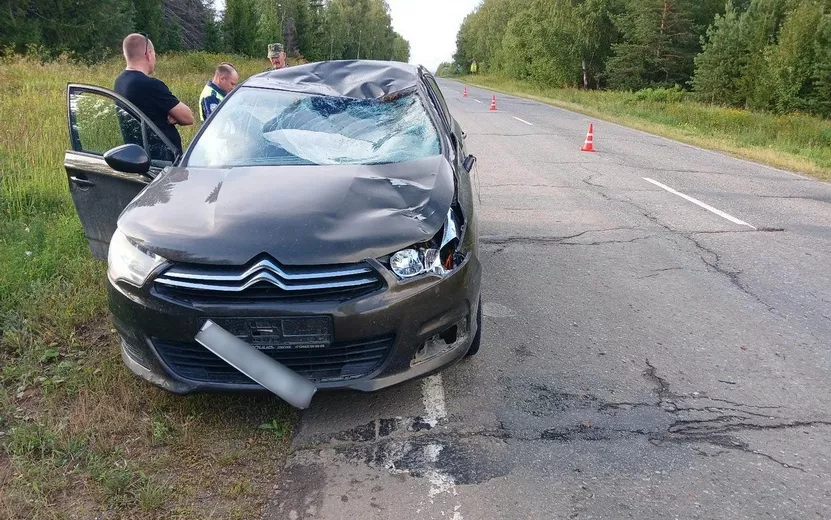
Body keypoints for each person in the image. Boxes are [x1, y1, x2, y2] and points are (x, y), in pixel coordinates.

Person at [114, 33, 194, 156]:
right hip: (160, 160)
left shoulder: (120, 81)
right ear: (148, 54)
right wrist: (173, 115)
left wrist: (170, 113)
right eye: (154, 54)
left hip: (136, 155)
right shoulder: (150, 85)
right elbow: (188, 117)